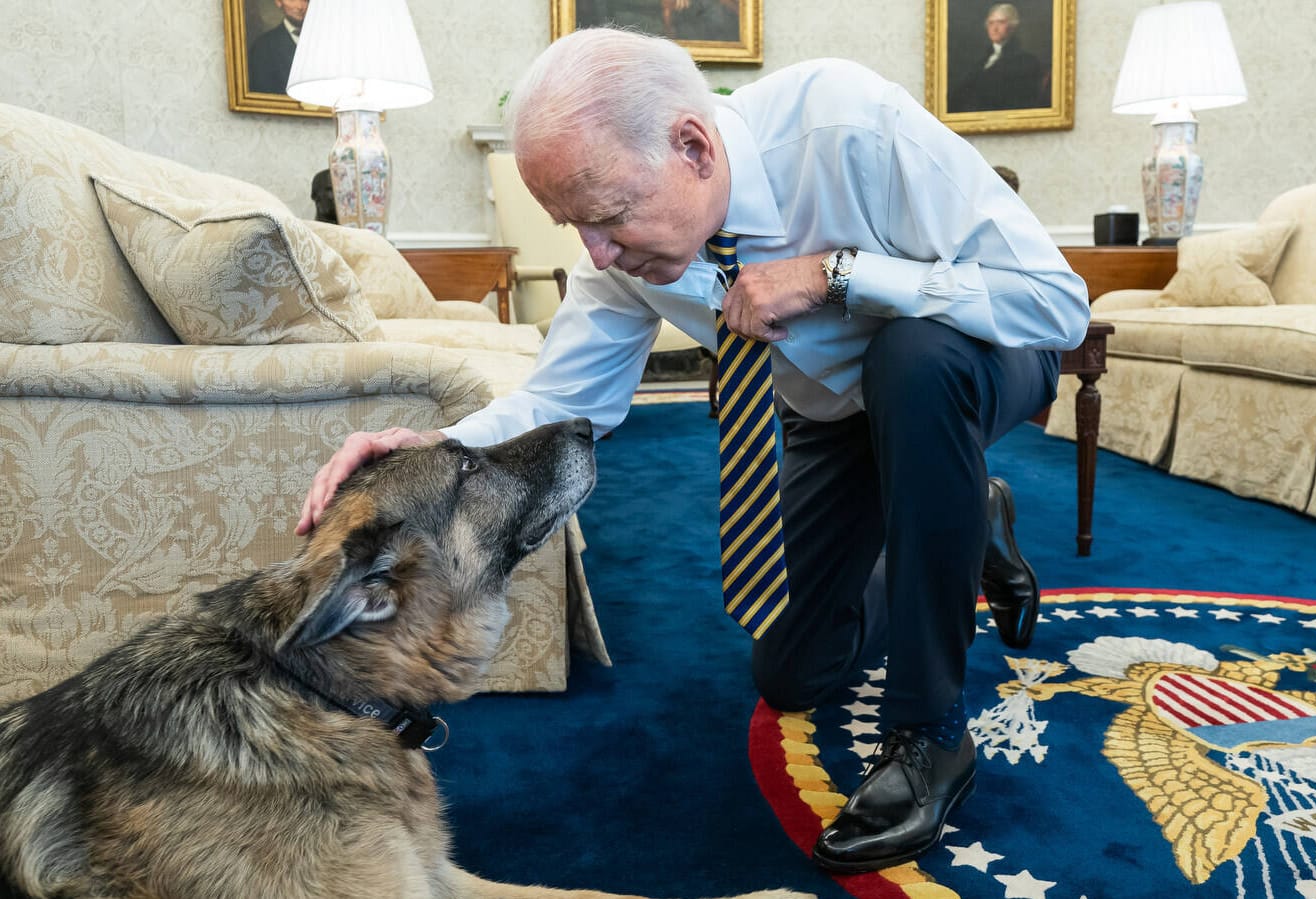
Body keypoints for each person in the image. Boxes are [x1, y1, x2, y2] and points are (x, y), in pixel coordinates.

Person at [296, 28, 1088, 874]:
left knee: (912, 360)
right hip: (833, 414)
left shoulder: (850, 128)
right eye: (574, 226)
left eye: (605, 218)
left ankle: (929, 733)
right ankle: (973, 521)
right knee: (791, 672)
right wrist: (434, 446)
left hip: (976, 357)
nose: (594, 254)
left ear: (693, 147)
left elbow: (1056, 305)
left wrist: (841, 273)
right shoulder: (622, 253)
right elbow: (567, 402)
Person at [949, 3, 1045, 113]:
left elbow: (1019, 102)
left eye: (1001, 22)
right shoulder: (981, 61)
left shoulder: (1027, 61)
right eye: (991, 23)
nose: (994, 28)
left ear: (1013, 27)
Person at [247, 0, 308, 95]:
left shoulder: (326, 41)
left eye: (305, 0)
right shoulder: (263, 46)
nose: (300, 6)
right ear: (278, 2)